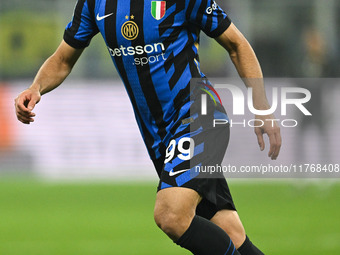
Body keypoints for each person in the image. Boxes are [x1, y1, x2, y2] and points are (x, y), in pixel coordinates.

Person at [14, 0, 281, 254]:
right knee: (230, 233)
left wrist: (262, 107)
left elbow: (236, 44)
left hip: (199, 115)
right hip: (160, 137)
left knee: (171, 215)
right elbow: (62, 59)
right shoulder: (95, 3)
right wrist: (35, 87)